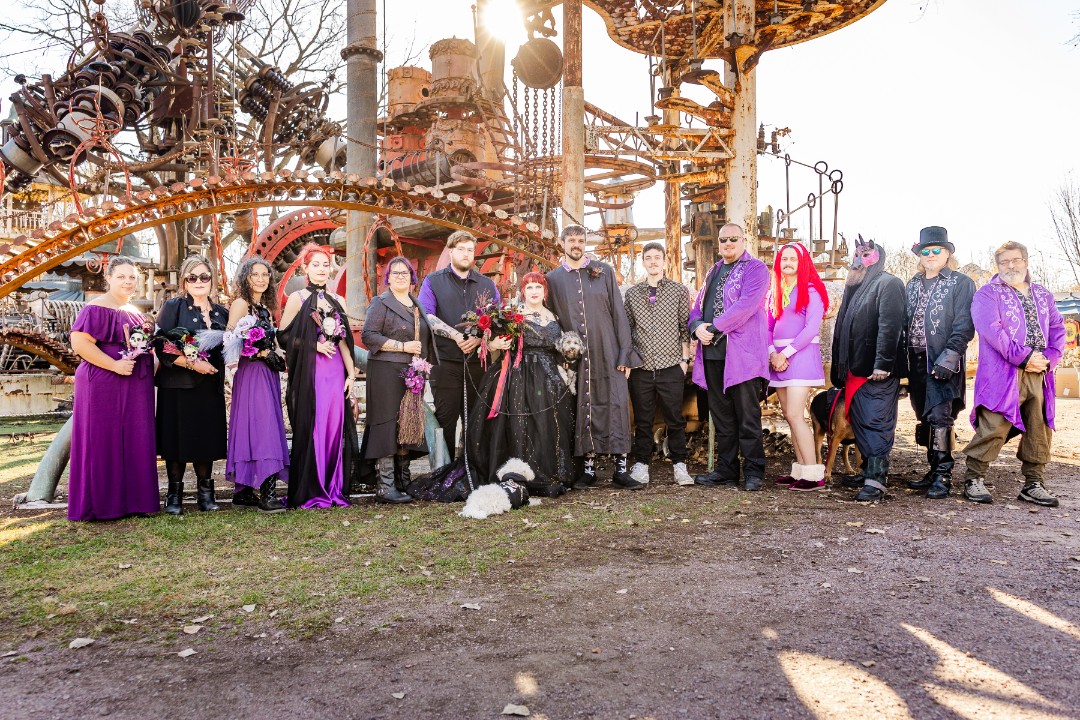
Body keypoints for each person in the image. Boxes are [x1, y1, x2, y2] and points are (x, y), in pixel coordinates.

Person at [409, 272, 576, 499]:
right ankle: (516, 474)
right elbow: (493, 345)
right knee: (519, 424)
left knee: (546, 426)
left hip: (547, 379)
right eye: (530, 287)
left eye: (538, 287)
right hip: (518, 375)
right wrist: (494, 342)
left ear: (544, 291)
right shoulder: (512, 315)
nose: (534, 291)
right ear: (523, 291)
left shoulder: (554, 316)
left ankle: (547, 472)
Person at [962, 241, 1066, 507]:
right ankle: (974, 478)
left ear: (1026, 261)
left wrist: (1049, 359)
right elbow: (992, 331)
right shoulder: (987, 294)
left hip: (1040, 373)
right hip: (1002, 372)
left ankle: (1034, 483)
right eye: (1004, 262)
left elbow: (1057, 329)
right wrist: (1025, 358)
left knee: (1039, 426)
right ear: (997, 266)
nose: (1010, 266)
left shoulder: (1044, 294)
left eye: (1015, 260)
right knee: (994, 425)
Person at [546, 224, 641, 490]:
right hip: (576, 355)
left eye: (580, 240)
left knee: (616, 403)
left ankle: (621, 469)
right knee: (584, 405)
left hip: (609, 349)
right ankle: (588, 470)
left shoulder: (604, 271)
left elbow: (619, 314)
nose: (576, 244)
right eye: (571, 240)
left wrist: (625, 352)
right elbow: (552, 320)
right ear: (562, 243)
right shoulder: (552, 278)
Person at [66, 256, 159, 521]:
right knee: (102, 439)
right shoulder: (95, 309)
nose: (128, 282)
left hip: (135, 385)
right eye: (122, 276)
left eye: (132, 277)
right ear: (108, 278)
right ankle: (102, 504)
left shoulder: (136, 313)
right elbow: (80, 343)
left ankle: (135, 501)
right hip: (103, 382)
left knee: (135, 438)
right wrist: (114, 365)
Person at [689, 223, 770, 491]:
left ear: (743, 240)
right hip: (712, 353)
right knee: (721, 416)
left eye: (733, 239)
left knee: (747, 415)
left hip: (742, 355)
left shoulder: (755, 269)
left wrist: (712, 327)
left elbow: (747, 306)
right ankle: (726, 470)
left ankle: (754, 471)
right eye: (723, 240)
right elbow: (697, 306)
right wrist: (697, 327)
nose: (728, 244)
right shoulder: (713, 270)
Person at [278, 243, 358, 509]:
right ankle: (313, 488)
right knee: (314, 426)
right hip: (311, 374)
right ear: (305, 269)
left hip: (335, 373)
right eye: (316, 265)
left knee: (334, 428)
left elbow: (344, 341)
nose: (322, 269)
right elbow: (284, 337)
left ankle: (333, 486)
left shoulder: (339, 301)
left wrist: (351, 374)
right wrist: (313, 346)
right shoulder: (297, 298)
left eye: (326, 265)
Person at [829, 236, 906, 502]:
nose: (858, 261)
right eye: (856, 255)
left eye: (866, 255)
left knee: (877, 423)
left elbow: (890, 325)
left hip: (876, 372)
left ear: (879, 258)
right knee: (861, 421)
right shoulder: (857, 286)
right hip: (856, 370)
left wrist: (883, 363)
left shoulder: (889, 283)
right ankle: (866, 471)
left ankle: (877, 481)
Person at [902, 227, 976, 500]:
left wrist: (950, 357)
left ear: (947, 253)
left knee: (940, 415)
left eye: (936, 250)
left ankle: (944, 475)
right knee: (923, 415)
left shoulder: (961, 283)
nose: (931, 255)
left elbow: (964, 324)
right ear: (920, 255)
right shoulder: (912, 284)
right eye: (926, 251)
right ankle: (933, 470)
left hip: (943, 359)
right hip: (916, 359)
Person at [360, 256, 439, 503]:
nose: (400, 276)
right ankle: (385, 486)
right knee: (387, 424)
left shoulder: (416, 305)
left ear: (412, 278)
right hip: (385, 373)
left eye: (404, 273)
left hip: (411, 373)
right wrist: (403, 347)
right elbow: (368, 336)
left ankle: (403, 481)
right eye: (394, 273)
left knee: (406, 423)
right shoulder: (381, 302)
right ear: (388, 278)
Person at [418, 231, 499, 463]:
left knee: (476, 418)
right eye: (461, 249)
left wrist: (478, 339)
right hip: (445, 363)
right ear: (451, 251)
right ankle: (444, 471)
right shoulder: (433, 281)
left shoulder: (486, 284)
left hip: (478, 363)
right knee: (446, 418)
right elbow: (427, 316)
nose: (466, 254)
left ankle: (472, 469)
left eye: (470, 250)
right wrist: (456, 336)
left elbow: (497, 319)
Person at [155, 255, 228, 514]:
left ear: (212, 280)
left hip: (210, 388)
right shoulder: (172, 306)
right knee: (176, 440)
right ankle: (174, 495)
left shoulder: (222, 312)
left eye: (204, 277)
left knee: (204, 438)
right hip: (177, 386)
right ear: (185, 281)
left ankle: (205, 494)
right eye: (193, 277)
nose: (199, 281)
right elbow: (161, 342)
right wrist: (190, 362)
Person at [623, 242, 693, 486]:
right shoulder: (632, 293)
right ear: (643, 262)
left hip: (671, 364)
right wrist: (629, 359)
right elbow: (628, 329)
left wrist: (684, 360)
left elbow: (685, 327)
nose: (653, 262)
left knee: (675, 419)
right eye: (648, 258)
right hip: (641, 367)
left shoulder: (678, 291)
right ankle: (641, 465)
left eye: (657, 257)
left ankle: (680, 466)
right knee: (643, 419)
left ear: (665, 261)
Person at [225, 257, 289, 513]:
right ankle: (266, 494)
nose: (261, 279)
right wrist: (261, 354)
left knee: (262, 425)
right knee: (263, 428)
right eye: (255, 274)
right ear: (245, 278)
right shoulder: (241, 304)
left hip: (267, 374)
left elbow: (269, 342)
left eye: (265, 275)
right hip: (251, 374)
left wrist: (277, 354)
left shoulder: (264, 308)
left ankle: (246, 490)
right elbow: (229, 342)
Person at [767, 242, 829, 491]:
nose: (788, 262)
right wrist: (773, 353)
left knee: (794, 415)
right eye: (784, 259)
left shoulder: (812, 290)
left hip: (799, 357)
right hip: (778, 360)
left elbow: (811, 328)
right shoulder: (776, 290)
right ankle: (801, 470)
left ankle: (815, 475)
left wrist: (786, 354)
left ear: (802, 262)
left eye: (793, 258)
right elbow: (768, 327)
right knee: (789, 417)